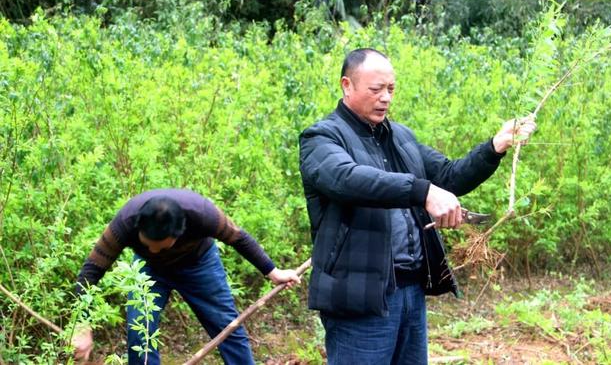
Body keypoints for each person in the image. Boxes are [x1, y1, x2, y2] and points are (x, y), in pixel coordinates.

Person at [298, 48, 536, 364]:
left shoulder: (399, 137)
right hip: (359, 294)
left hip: (410, 289)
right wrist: (422, 191)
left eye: (391, 89)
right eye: (375, 90)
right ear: (347, 85)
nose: (385, 98)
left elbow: (449, 176)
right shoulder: (321, 138)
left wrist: (495, 146)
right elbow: (348, 179)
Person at [71, 188, 300, 364]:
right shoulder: (126, 222)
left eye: (160, 246)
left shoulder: (201, 213)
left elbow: (239, 238)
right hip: (148, 271)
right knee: (139, 332)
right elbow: (91, 270)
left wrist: (272, 272)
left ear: (179, 233)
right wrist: (82, 324)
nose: (153, 250)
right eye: (147, 244)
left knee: (226, 326)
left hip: (199, 265)